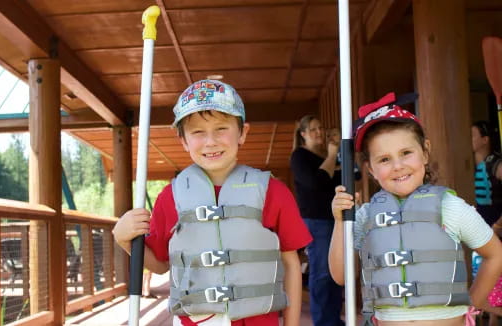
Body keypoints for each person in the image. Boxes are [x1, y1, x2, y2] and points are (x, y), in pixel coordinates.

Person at [112, 79, 312, 326]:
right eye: (197, 132)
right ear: (183, 141)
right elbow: (161, 265)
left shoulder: (273, 191)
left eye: (221, 129)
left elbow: (291, 264)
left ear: (243, 132)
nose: (211, 141)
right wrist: (125, 241)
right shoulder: (170, 197)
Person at [330, 92, 502, 325]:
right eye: (384, 159)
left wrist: (474, 302)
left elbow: (495, 254)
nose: (398, 166)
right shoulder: (364, 216)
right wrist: (340, 223)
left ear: (425, 151)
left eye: (406, 153)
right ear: (370, 169)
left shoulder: (449, 206)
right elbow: (341, 276)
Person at [290, 116, 344, 326]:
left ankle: (333, 320)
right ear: (303, 134)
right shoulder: (299, 156)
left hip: (335, 220)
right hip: (316, 221)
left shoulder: (326, 157)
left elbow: (353, 177)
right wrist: (331, 156)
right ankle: (323, 322)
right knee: (322, 272)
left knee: (336, 272)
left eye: (321, 127)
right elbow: (317, 182)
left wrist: (339, 152)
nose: (319, 132)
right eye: (313, 129)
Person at [471, 120, 502, 227]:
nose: (469, 139)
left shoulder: (494, 163)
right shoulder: (469, 164)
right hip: (481, 224)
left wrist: (498, 225)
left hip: (494, 223)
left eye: (473, 135)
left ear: (485, 140)